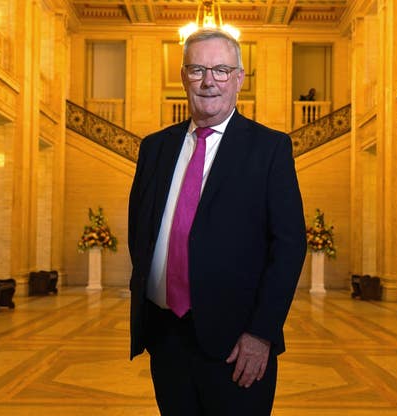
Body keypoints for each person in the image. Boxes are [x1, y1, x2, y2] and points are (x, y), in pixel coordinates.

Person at [128, 28, 307, 416]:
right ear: (183, 77)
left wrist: (261, 333)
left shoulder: (270, 149)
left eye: (221, 70)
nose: (209, 81)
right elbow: (139, 232)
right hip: (166, 337)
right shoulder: (154, 148)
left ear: (239, 79)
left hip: (237, 346)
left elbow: (289, 248)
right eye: (197, 70)